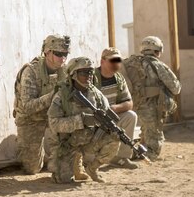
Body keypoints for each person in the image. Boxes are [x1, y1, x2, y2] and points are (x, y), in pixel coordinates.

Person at [47, 56, 120, 183]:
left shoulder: (97, 95)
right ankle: (74, 161)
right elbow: (53, 123)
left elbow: (107, 114)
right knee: (62, 180)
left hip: (89, 141)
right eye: (84, 72)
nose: (89, 75)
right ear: (73, 74)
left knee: (114, 137)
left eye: (91, 72)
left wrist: (104, 124)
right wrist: (81, 121)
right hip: (68, 143)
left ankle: (92, 168)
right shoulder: (62, 96)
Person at [13, 34, 69, 174]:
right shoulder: (31, 71)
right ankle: (29, 149)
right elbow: (27, 107)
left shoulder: (66, 71)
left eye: (65, 54)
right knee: (32, 168)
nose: (62, 58)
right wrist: (51, 97)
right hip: (30, 120)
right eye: (58, 54)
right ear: (47, 52)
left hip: (54, 118)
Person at [124, 35, 181, 160]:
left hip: (133, 102)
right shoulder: (157, 65)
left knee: (146, 129)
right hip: (151, 104)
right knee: (154, 131)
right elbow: (175, 88)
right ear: (157, 50)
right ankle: (150, 154)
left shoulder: (131, 63)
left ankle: (140, 149)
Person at [96, 47, 138, 169]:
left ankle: (120, 158)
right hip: (93, 120)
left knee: (131, 116)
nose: (116, 63)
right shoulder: (92, 77)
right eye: (112, 60)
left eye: (118, 60)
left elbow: (129, 103)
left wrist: (114, 108)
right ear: (102, 61)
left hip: (110, 118)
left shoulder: (119, 79)